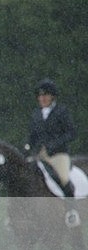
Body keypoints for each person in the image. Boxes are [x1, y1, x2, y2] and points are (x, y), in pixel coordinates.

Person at [26, 78, 80, 227]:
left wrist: (54, 144)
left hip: (58, 155)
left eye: (45, 95)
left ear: (52, 97)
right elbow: (32, 135)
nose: (42, 98)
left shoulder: (61, 112)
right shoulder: (36, 114)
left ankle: (71, 211)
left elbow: (71, 133)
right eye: (40, 96)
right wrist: (28, 146)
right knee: (25, 177)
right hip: (40, 155)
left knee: (63, 177)